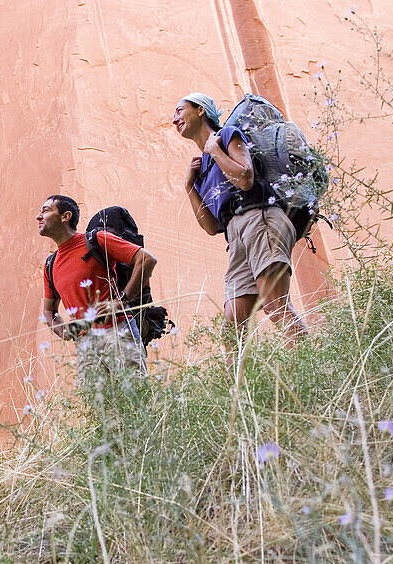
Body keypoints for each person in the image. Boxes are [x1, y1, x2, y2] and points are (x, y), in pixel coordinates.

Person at [172, 92, 308, 344]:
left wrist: (215, 151)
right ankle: (245, 384)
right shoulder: (201, 167)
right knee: (232, 332)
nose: (174, 119)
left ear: (201, 110)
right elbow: (211, 226)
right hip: (235, 237)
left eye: (180, 110)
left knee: (275, 305)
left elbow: (245, 179)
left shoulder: (226, 136)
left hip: (260, 219)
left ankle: (317, 370)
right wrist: (190, 187)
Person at [37, 195, 157, 377]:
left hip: (118, 331)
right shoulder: (50, 264)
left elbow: (146, 259)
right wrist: (63, 331)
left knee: (135, 399)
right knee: (99, 404)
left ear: (65, 216)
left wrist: (121, 301)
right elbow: (48, 311)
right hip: (85, 345)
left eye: (45, 211)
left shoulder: (97, 240)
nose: (39, 216)